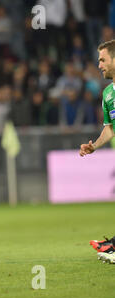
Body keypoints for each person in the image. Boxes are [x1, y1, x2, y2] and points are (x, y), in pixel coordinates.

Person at [79, 40, 115, 264]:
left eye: (103, 59)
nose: (99, 64)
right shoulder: (108, 93)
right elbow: (109, 129)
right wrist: (94, 147)